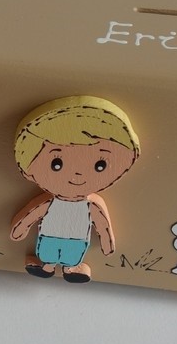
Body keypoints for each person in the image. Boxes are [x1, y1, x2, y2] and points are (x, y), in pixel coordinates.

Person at [9, 96, 139, 283]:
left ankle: (70, 269)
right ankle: (47, 267)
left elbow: (102, 224)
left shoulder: (89, 205)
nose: (78, 174)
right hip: (50, 235)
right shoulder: (51, 202)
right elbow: (33, 214)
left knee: (71, 254)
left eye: (100, 165)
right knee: (48, 252)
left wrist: (107, 242)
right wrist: (21, 228)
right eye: (56, 164)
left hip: (76, 239)